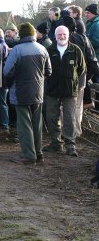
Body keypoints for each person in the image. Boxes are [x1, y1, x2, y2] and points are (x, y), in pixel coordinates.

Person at [3, 22, 52, 165]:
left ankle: (28, 155)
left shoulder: (17, 50)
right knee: (37, 123)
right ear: (33, 34)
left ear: (21, 35)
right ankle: (38, 152)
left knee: (24, 124)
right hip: (38, 91)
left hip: (20, 92)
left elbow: (7, 71)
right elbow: (48, 71)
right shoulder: (43, 49)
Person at [43, 26, 86, 157]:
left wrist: (77, 86)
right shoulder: (48, 50)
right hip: (52, 90)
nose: (62, 37)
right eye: (59, 34)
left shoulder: (75, 50)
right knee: (51, 117)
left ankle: (70, 145)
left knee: (70, 118)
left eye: (64, 34)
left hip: (70, 91)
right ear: (55, 36)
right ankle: (56, 143)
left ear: (68, 35)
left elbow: (82, 70)